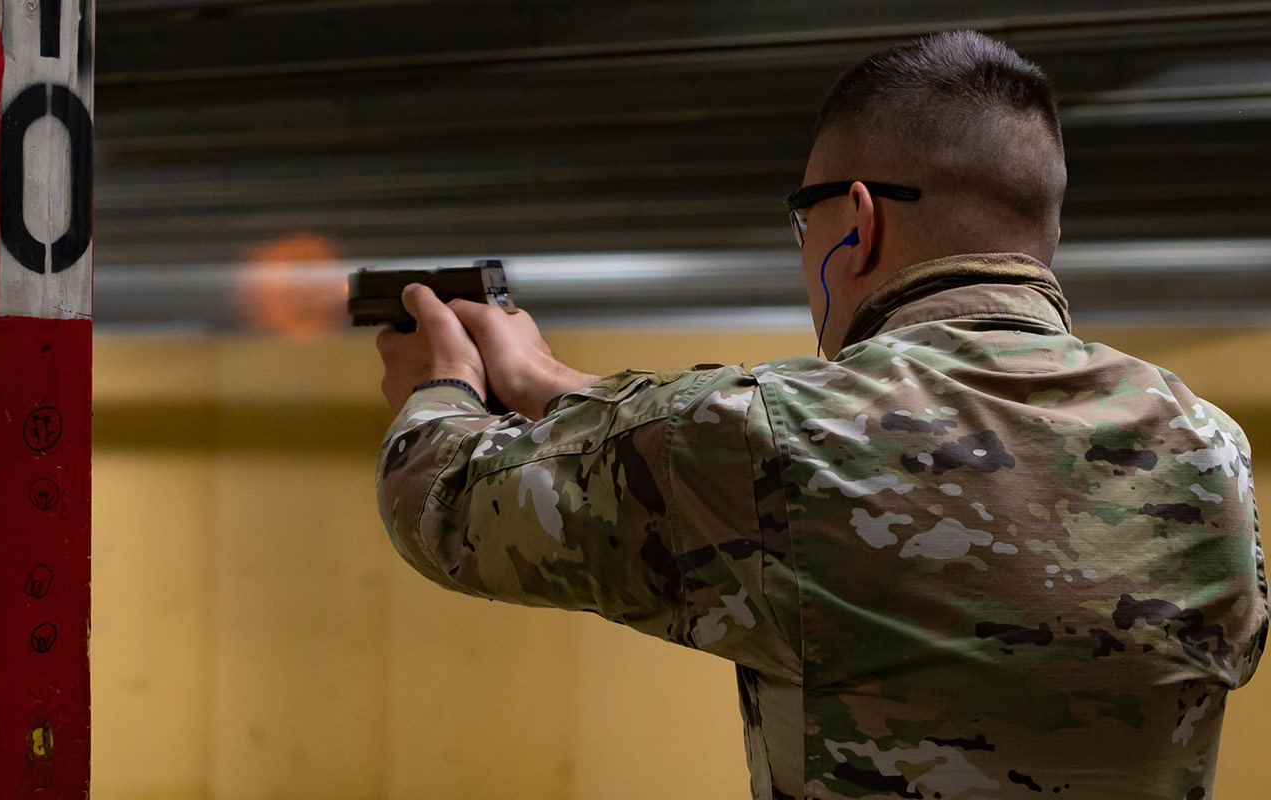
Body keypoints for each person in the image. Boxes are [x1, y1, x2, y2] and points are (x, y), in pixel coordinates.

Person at [371, 30, 1266, 800]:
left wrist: (440, 381)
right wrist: (546, 378)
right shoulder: (1209, 447)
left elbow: (442, 499)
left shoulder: (775, 443)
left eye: (810, 221)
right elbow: (735, 446)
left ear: (860, 224)